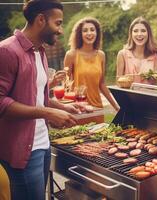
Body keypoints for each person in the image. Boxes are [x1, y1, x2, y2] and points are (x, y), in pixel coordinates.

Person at [0, 1, 82, 199]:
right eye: (58, 23)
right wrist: (47, 113)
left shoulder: (40, 51)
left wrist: (62, 107)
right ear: (41, 20)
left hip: (43, 143)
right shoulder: (7, 51)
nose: (61, 30)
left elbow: (37, 97)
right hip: (22, 150)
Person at [64, 17, 119, 113]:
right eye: (85, 31)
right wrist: (68, 107)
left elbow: (101, 84)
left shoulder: (101, 55)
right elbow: (66, 86)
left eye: (92, 30)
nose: (89, 33)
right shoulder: (71, 55)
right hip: (79, 109)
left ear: (97, 33)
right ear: (79, 34)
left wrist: (116, 106)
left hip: (97, 108)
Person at [116, 16, 157, 84]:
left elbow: (155, 83)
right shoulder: (122, 54)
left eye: (143, 31)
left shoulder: (155, 55)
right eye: (135, 31)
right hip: (127, 94)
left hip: (147, 94)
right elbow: (118, 83)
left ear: (148, 34)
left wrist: (153, 78)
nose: (139, 34)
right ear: (131, 34)